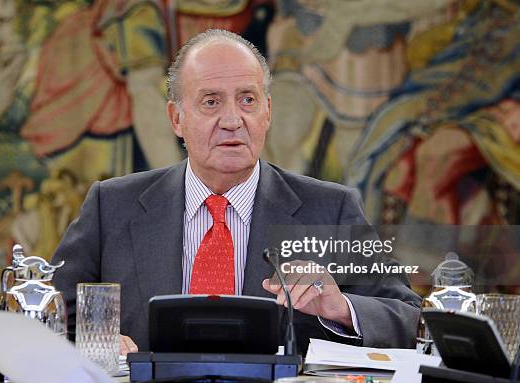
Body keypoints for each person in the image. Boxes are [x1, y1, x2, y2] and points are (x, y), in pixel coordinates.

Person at [52, 29, 421, 355]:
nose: (232, 120)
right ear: (176, 119)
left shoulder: (330, 210)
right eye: (211, 101)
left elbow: (407, 316)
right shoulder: (112, 206)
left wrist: (341, 307)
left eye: (247, 99)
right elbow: (50, 318)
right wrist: (90, 341)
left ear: (268, 112)